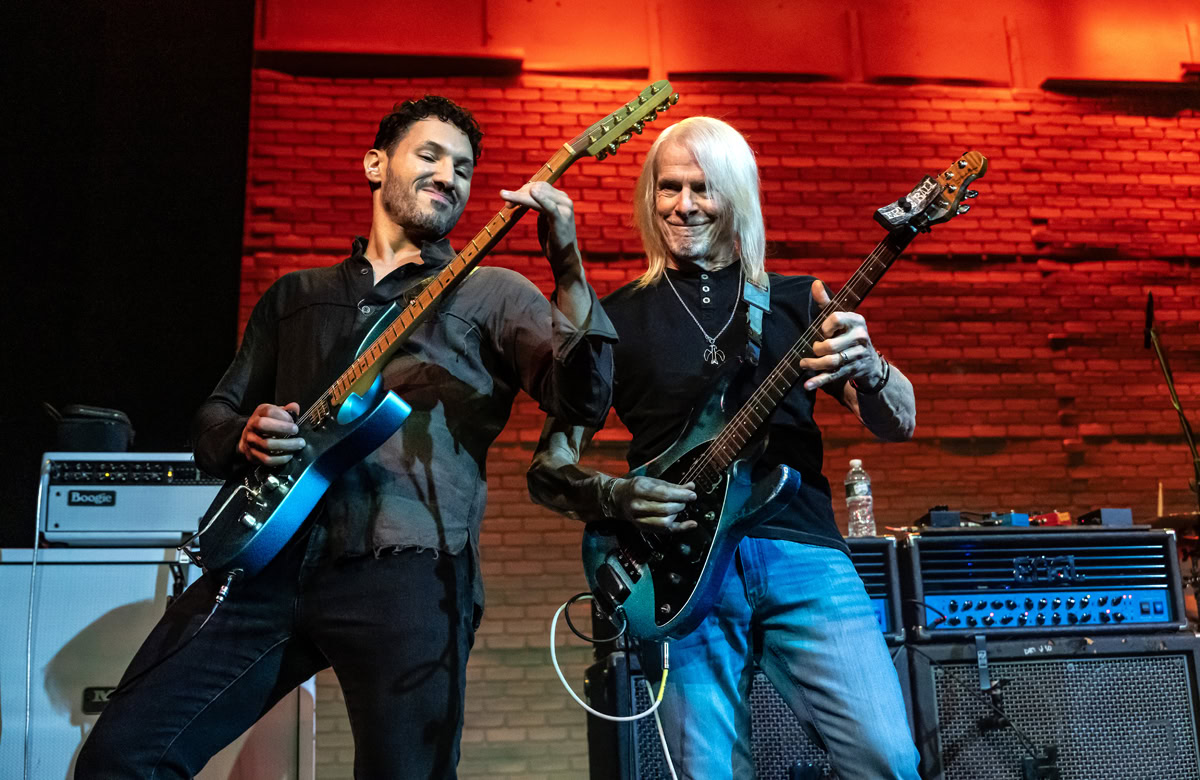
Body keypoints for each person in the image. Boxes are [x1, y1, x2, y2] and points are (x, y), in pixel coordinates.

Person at [76, 96, 616, 779]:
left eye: (463, 168)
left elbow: (585, 398)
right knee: (122, 755)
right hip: (262, 560)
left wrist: (567, 263)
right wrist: (245, 433)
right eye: (429, 156)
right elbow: (211, 422)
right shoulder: (295, 296)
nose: (448, 176)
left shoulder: (493, 294)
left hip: (408, 566)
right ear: (374, 165)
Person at [528, 116, 920, 779]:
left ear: (735, 195)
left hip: (801, 551)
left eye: (703, 188)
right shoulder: (616, 318)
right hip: (677, 571)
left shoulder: (798, 300)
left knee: (886, 756)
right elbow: (548, 467)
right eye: (669, 187)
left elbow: (898, 423)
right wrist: (618, 496)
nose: (683, 205)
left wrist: (873, 367)